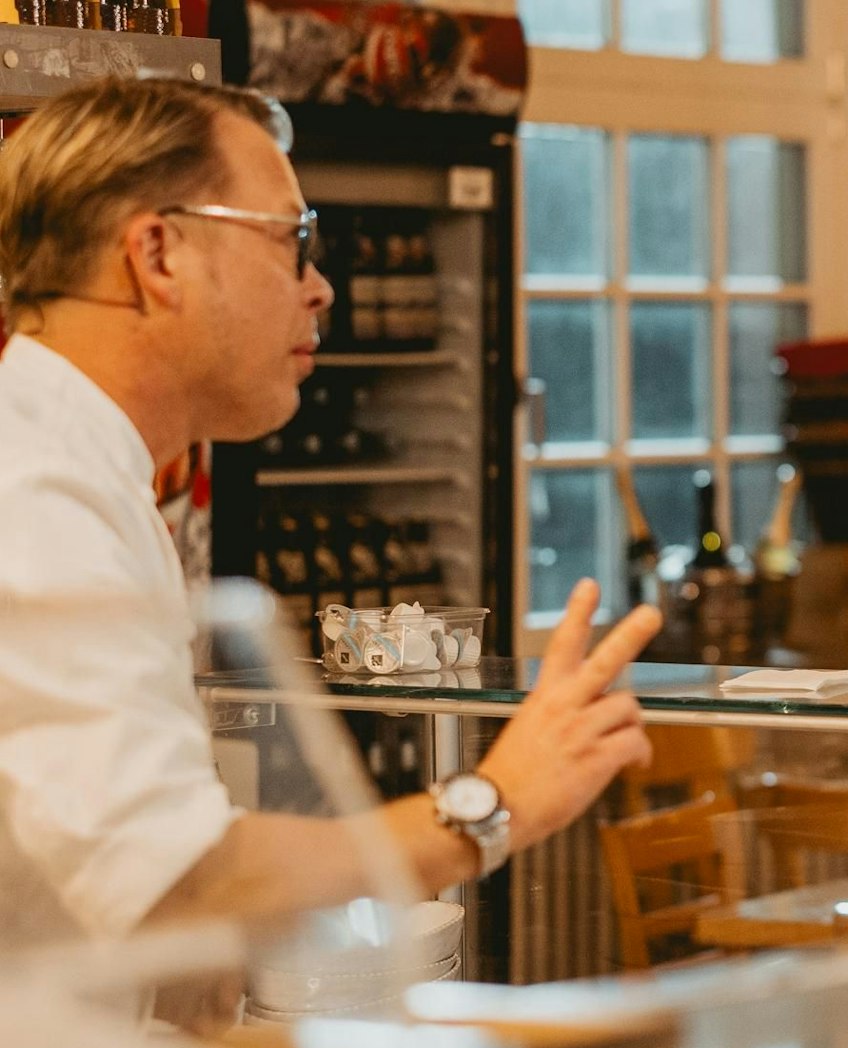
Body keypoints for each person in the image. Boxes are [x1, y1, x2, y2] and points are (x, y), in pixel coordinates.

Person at [0, 79, 662, 967]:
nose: (319, 288)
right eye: (292, 240)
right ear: (158, 255)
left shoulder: (75, 468)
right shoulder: (38, 493)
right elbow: (184, 880)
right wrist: (493, 803)